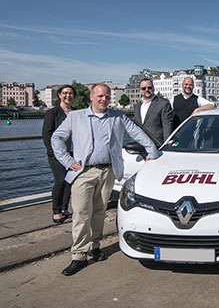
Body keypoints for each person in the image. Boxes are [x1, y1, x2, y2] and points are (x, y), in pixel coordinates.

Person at [52, 83, 160, 276]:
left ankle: (95, 246)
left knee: (99, 211)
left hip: (107, 172)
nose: (104, 99)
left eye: (107, 97)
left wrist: (152, 151)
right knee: (81, 214)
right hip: (83, 173)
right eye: (100, 96)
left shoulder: (117, 117)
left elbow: (137, 133)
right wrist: (68, 161)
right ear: (91, 98)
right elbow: (57, 138)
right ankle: (78, 255)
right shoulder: (76, 117)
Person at [42, 85, 76, 224]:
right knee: (60, 181)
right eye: (65, 93)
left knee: (69, 182)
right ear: (60, 95)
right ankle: (56, 211)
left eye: (71, 93)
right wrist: (52, 152)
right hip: (57, 154)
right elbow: (46, 133)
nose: (68, 96)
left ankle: (64, 208)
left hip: (72, 153)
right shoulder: (53, 113)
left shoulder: (75, 113)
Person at [134, 78, 174, 143]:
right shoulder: (137, 106)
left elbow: (167, 125)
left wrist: (167, 143)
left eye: (149, 88)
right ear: (140, 90)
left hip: (156, 143)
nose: (147, 90)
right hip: (139, 143)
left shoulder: (163, 104)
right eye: (143, 88)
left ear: (153, 88)